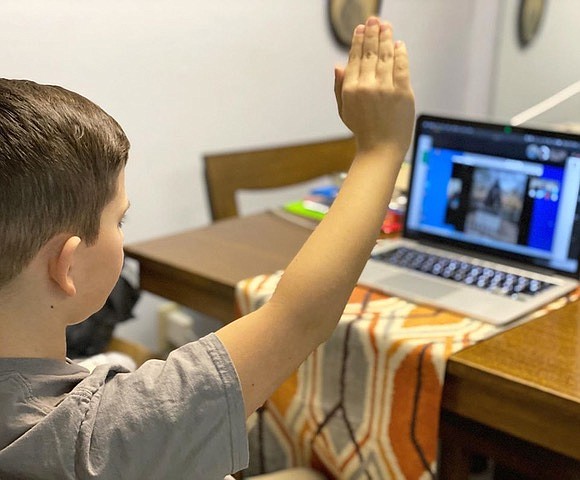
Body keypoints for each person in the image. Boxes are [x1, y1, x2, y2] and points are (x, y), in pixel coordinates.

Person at [0, 16, 414, 480]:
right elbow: (298, 315)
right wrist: (381, 147)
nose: (123, 231)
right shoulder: (99, 439)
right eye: (120, 219)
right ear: (68, 265)